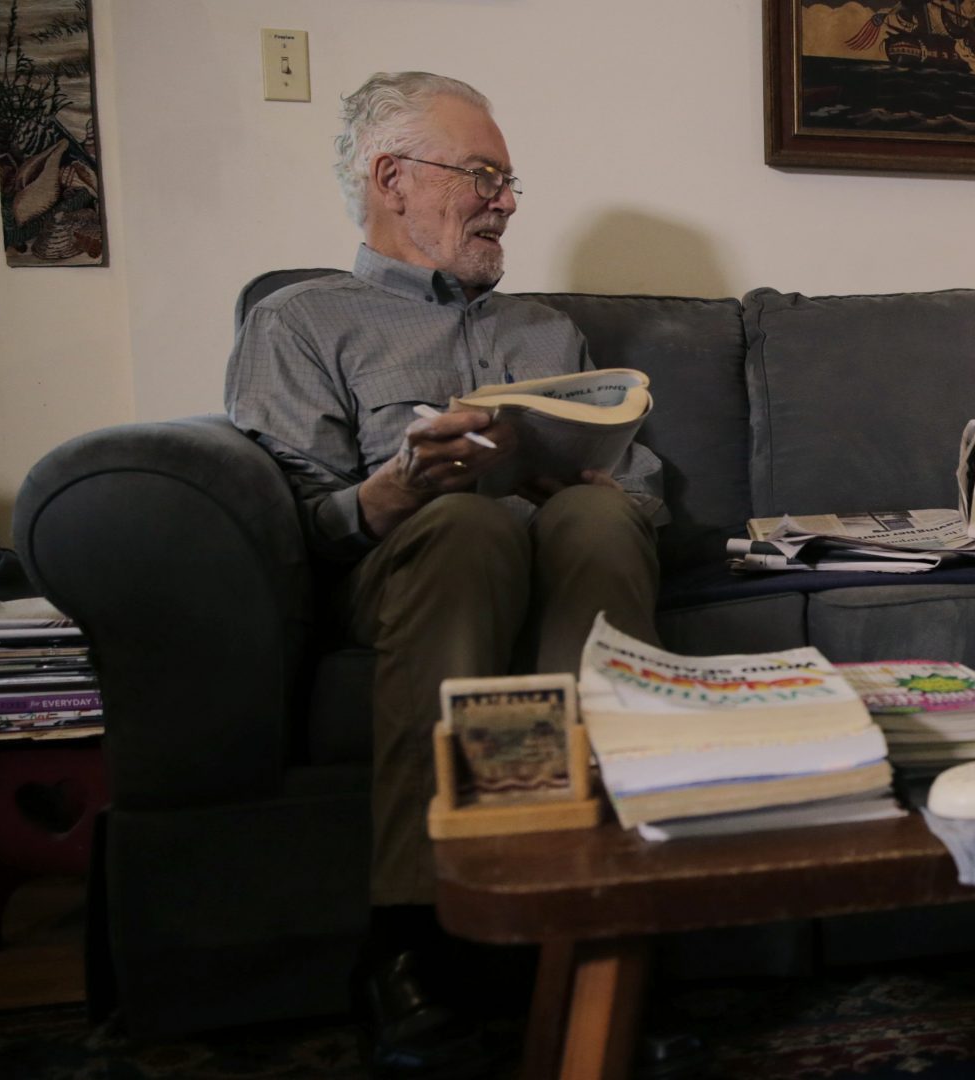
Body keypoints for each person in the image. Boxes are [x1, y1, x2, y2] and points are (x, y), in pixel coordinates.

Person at [225, 71, 664, 1076]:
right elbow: (292, 526)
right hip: (417, 564)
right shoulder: (299, 323)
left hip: (557, 558)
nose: (507, 201)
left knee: (598, 516)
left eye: (509, 181)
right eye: (484, 176)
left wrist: (595, 482)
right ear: (393, 179)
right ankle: (414, 933)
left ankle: (588, 905)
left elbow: (643, 486)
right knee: (468, 524)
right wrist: (397, 485)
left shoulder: (548, 334)